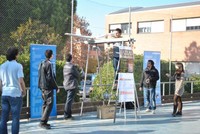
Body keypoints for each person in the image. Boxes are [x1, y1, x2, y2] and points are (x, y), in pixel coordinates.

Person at [0, 47, 26, 134]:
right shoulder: (18, 66)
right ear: (16, 55)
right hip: (15, 94)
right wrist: (24, 90)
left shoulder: (2, 66)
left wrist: (2, 90)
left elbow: (0, 82)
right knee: (15, 118)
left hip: (5, 93)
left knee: (3, 117)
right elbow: (21, 81)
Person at [38, 49, 59, 129]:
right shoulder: (49, 64)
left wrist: (40, 86)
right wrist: (56, 87)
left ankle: (44, 121)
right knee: (49, 104)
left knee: (45, 103)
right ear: (51, 55)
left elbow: (39, 75)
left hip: (42, 87)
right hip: (47, 87)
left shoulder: (41, 63)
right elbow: (51, 77)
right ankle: (43, 122)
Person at [63, 53, 79, 120]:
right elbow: (77, 75)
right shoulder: (72, 66)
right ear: (71, 58)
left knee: (69, 100)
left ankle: (69, 115)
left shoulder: (64, 66)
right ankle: (66, 115)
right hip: (71, 85)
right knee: (69, 101)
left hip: (66, 84)